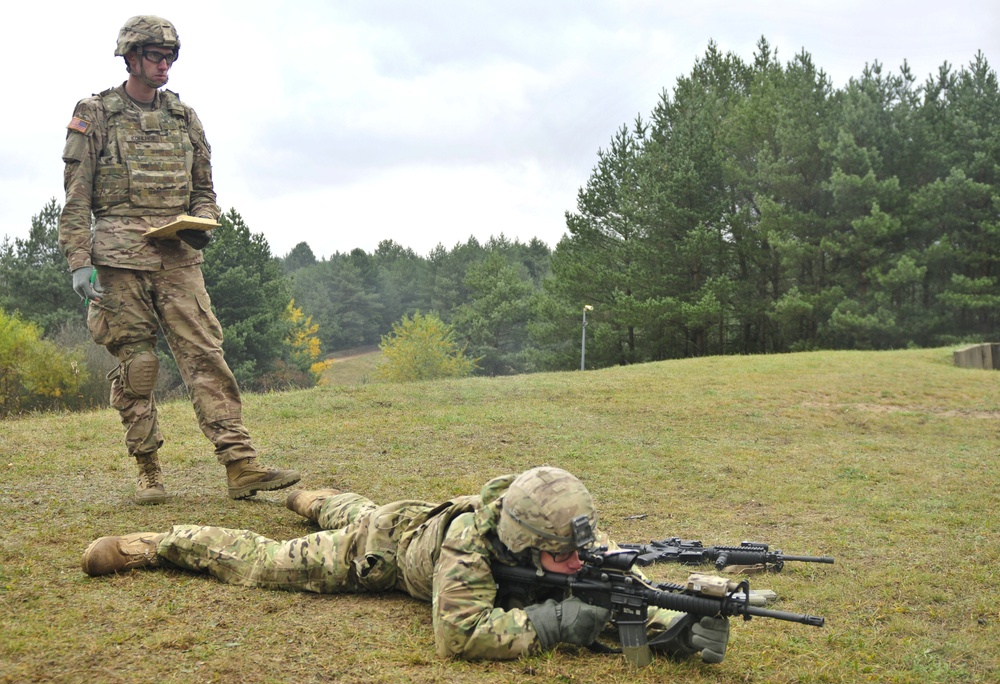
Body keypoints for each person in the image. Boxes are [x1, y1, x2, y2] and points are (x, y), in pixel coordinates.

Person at [81, 466, 730, 662]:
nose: (573, 559)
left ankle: (310, 497)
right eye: (560, 553)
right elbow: (460, 635)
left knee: (345, 504)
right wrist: (559, 624)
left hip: (406, 512)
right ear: (525, 538)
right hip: (385, 551)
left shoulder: (558, 525)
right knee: (274, 561)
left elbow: (603, 570)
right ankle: (164, 542)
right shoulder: (466, 557)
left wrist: (674, 610)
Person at [57, 16, 300, 504]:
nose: (163, 63)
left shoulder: (184, 118)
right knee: (139, 366)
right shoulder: (96, 112)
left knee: (207, 357)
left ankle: (240, 464)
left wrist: (201, 224)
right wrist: (79, 259)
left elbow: (205, 191)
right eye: (153, 55)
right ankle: (149, 469)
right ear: (129, 58)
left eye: (169, 55)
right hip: (118, 261)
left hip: (177, 257)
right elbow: (76, 194)